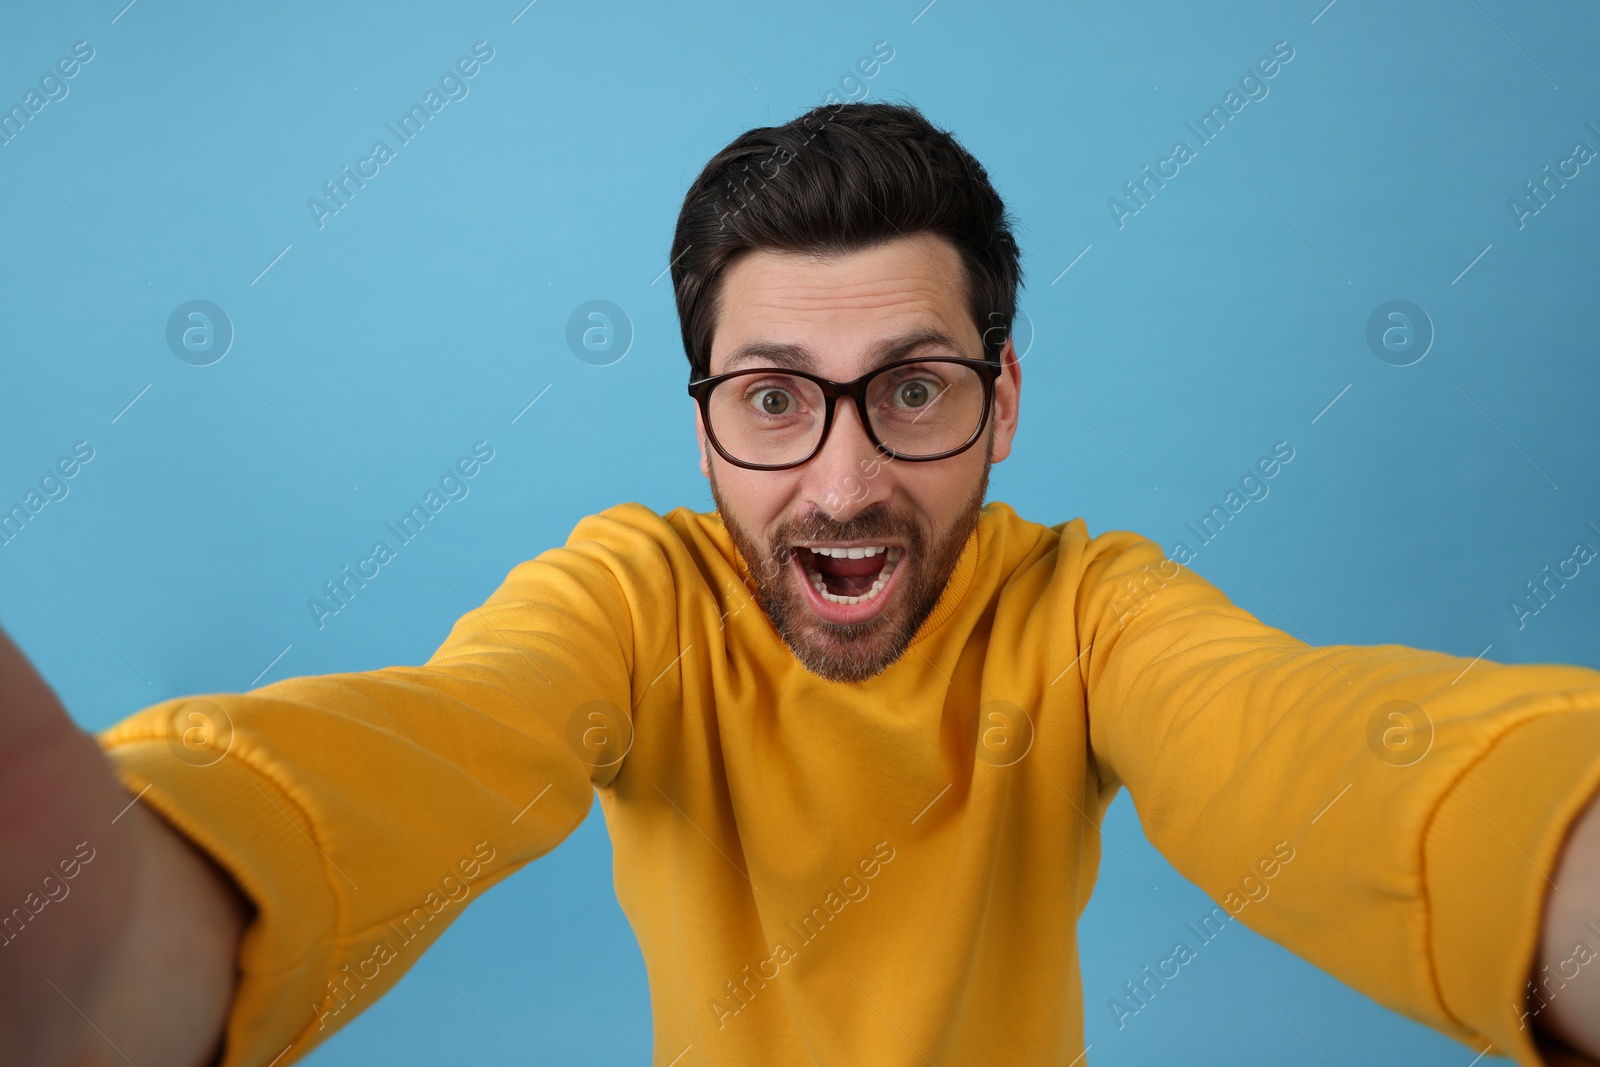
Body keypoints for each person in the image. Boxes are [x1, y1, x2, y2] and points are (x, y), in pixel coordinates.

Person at [3, 101, 1598, 1067]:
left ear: (1006, 398)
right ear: (699, 421)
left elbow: (1313, 754)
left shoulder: (1086, 614)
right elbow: (448, 741)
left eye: (912, 389)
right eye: (774, 396)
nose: (842, 486)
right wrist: (115, 932)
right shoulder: (639, 602)